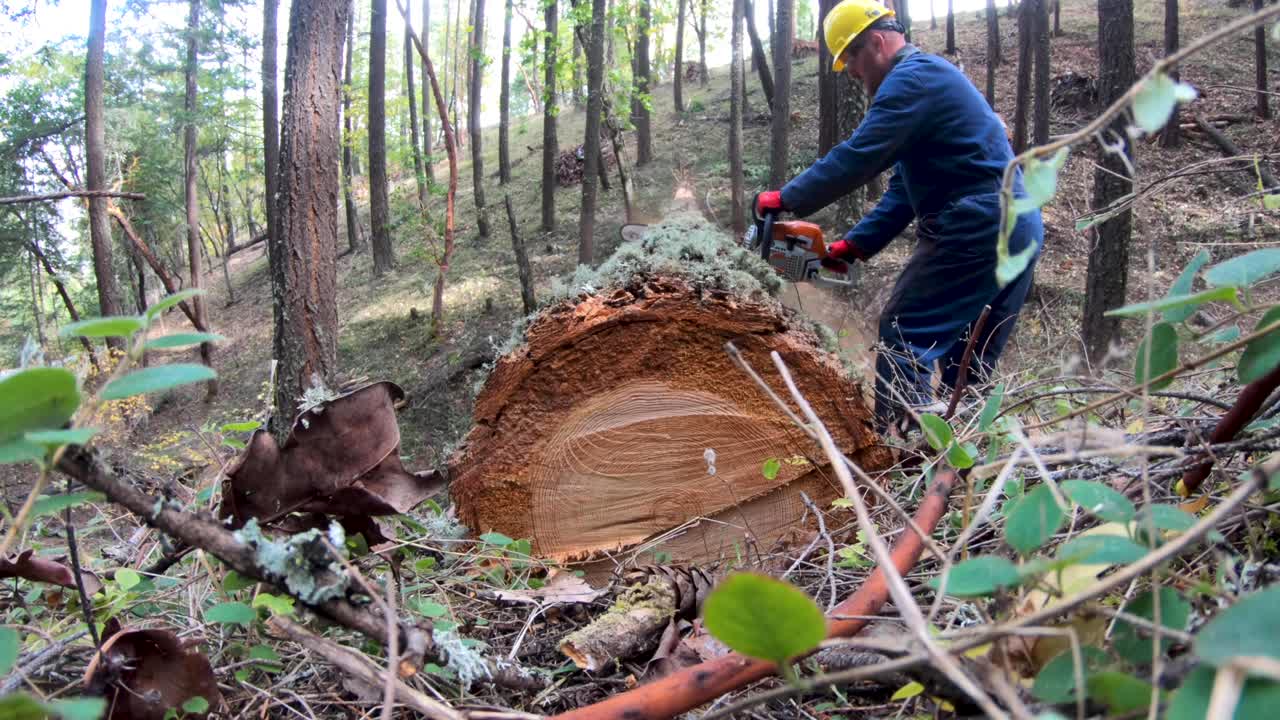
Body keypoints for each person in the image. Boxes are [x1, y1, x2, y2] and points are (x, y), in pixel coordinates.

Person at [756, 0, 1043, 430]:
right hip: (1017, 225)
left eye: (851, 58)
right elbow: (903, 191)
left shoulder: (912, 79)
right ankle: (957, 464)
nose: (852, 72)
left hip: (978, 221)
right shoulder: (928, 83)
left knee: (905, 331)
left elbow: (860, 155)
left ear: (876, 41)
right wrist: (854, 247)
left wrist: (786, 198)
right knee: (968, 360)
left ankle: (902, 452)